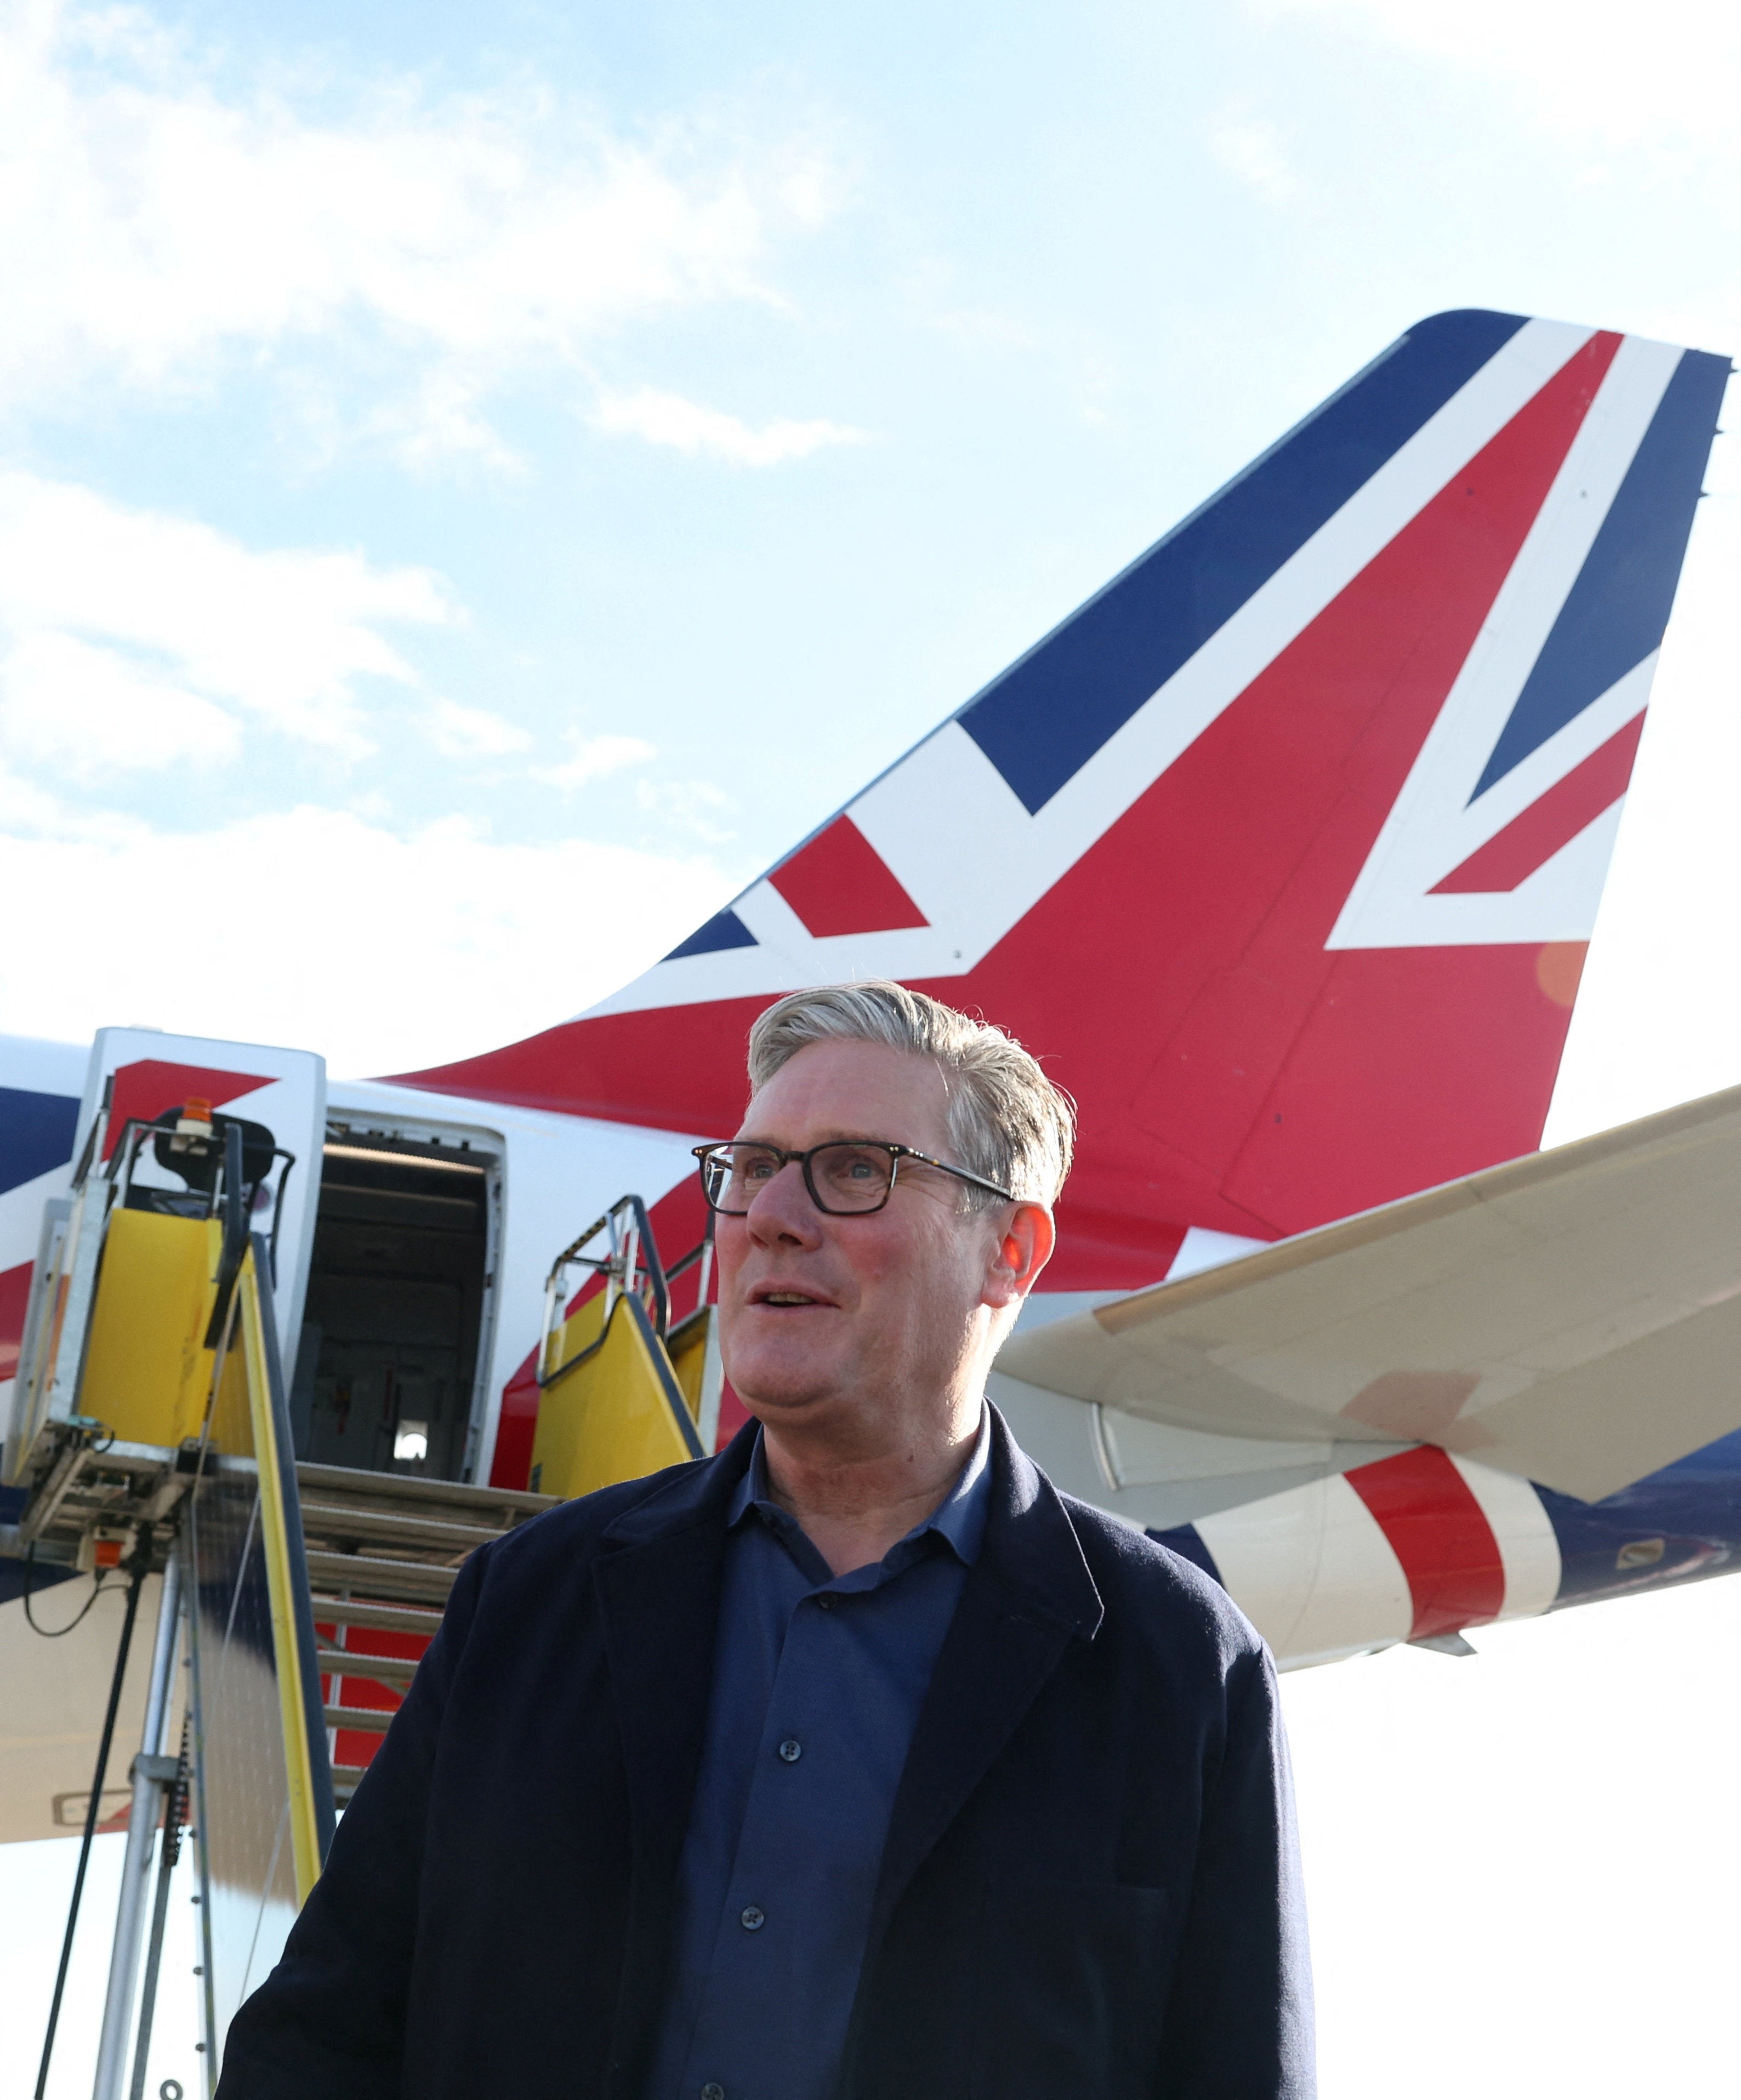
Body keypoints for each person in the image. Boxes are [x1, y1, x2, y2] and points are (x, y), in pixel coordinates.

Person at [219, 980, 1314, 2099]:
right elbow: (321, 2039)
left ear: (1009, 1253)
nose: (767, 1217)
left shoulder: (1182, 1668)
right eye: (748, 1168)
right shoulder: (529, 1600)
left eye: (851, 1169)